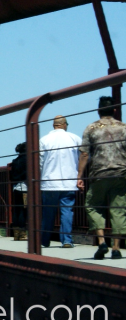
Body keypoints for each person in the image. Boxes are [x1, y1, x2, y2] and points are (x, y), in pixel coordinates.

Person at [79, 96, 126, 260]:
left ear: (98, 111)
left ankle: (101, 242)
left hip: (99, 174)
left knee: (92, 206)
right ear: (114, 110)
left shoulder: (91, 128)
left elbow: (84, 153)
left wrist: (79, 176)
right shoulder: (123, 127)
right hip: (121, 174)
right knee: (119, 210)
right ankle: (116, 248)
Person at [39, 115, 81, 248]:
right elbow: (83, 157)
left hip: (49, 182)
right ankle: (67, 240)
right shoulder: (74, 138)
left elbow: (39, 162)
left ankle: (44, 240)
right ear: (64, 124)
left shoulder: (44, 140)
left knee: (48, 213)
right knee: (67, 211)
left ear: (54, 125)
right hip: (69, 181)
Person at [8, 143, 28, 241]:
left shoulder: (15, 161)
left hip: (16, 188)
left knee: (17, 211)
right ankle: (23, 233)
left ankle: (17, 234)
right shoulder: (28, 160)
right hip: (25, 188)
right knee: (24, 211)